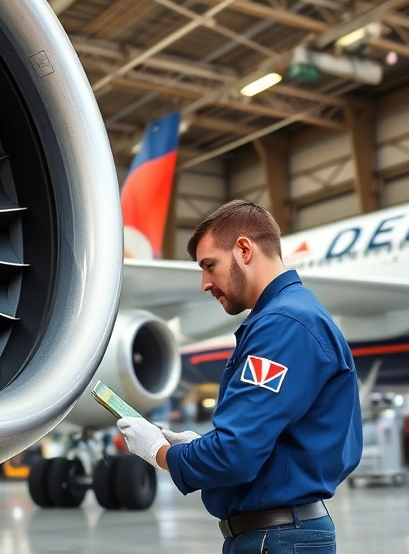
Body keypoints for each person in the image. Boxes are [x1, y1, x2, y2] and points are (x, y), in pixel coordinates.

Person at [116, 200, 362, 553]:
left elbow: (236, 453)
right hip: (279, 533)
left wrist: (159, 453)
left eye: (209, 266)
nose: (204, 283)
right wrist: (198, 445)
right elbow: (266, 441)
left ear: (244, 249)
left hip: (277, 537)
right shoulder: (293, 316)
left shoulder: (282, 325)